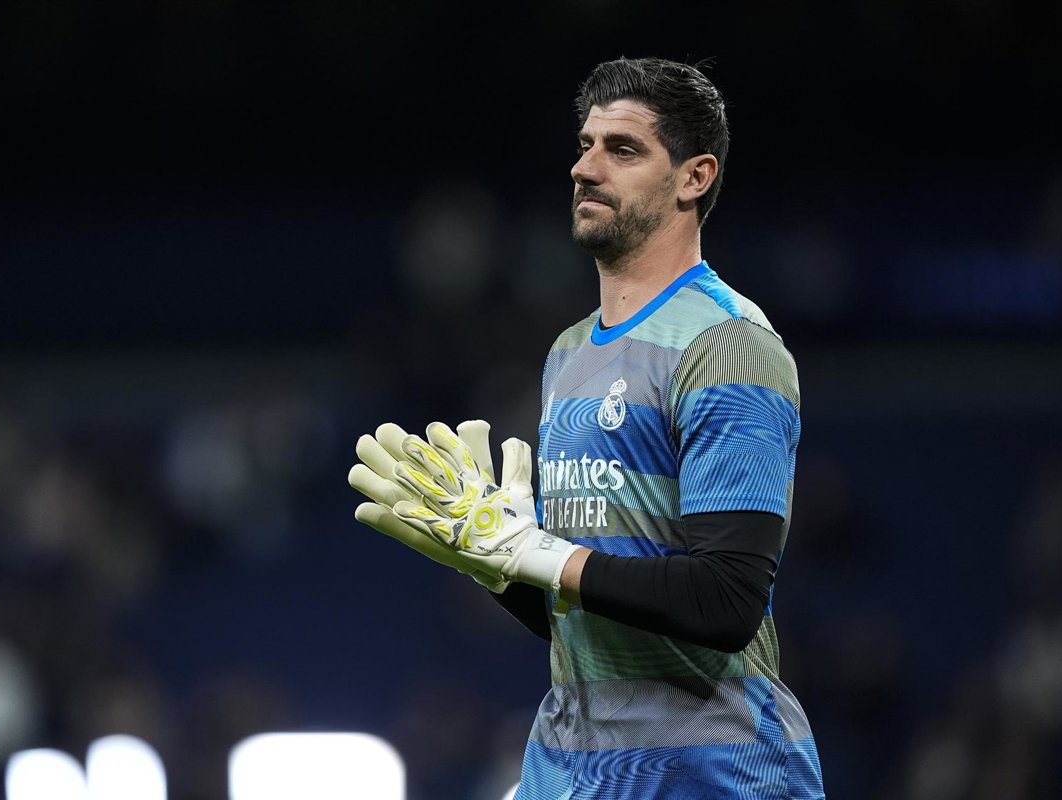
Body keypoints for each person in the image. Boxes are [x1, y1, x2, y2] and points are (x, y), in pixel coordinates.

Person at [351, 56, 824, 799]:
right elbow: (582, 616)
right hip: (575, 766)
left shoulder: (729, 346)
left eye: (622, 149)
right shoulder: (569, 353)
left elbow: (725, 602)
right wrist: (494, 560)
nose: (585, 168)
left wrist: (535, 551)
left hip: (709, 775)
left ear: (694, 177)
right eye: (584, 145)